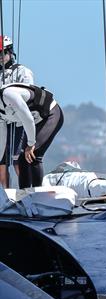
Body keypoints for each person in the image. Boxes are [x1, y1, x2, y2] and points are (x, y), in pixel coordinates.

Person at [0, 83, 63, 189]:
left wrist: (31, 144)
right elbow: (2, 138)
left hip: (50, 114)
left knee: (33, 155)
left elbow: (27, 118)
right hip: (35, 121)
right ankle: (24, 196)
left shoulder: (8, 94)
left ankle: (37, 197)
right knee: (22, 159)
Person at [0, 35, 33, 188]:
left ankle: (27, 191)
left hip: (19, 123)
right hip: (2, 122)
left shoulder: (23, 71)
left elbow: (28, 94)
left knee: (17, 161)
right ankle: (5, 195)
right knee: (2, 162)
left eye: (2, 53)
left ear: (10, 52)